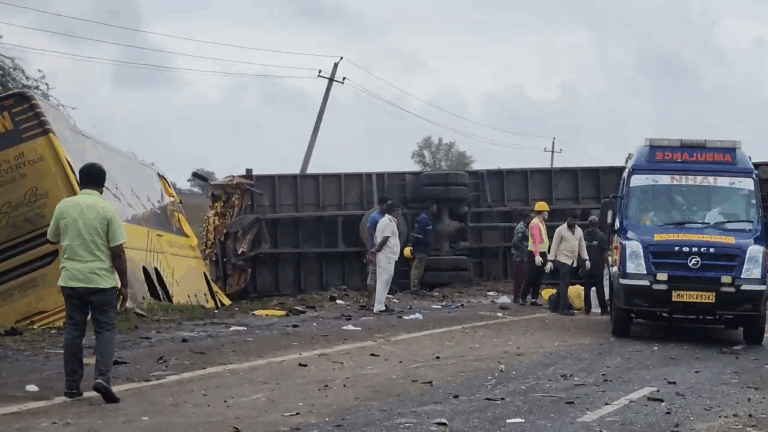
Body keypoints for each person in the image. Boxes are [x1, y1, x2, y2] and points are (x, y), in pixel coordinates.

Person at [46, 162, 128, 404]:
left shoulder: (64, 206)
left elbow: (52, 238)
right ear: (103, 185)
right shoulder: (108, 210)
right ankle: (102, 378)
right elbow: (118, 252)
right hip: (102, 282)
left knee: (74, 330)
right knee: (105, 329)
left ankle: (72, 386)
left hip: (71, 281)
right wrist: (124, 284)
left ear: (79, 181)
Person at [545, 212, 590, 316]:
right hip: (562, 260)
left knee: (564, 283)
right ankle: (563, 308)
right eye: (571, 220)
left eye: (574, 220)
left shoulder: (579, 231)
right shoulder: (560, 230)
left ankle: (554, 303)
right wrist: (551, 260)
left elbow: (582, 246)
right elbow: (554, 245)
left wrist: (586, 259)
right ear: (568, 219)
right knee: (565, 283)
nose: (572, 222)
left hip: (573, 261)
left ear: (577, 221)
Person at [371, 201, 402, 314]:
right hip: (386, 255)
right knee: (384, 281)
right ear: (394, 211)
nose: (400, 213)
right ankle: (379, 307)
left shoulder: (384, 221)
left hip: (387, 255)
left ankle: (381, 305)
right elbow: (385, 238)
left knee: (384, 281)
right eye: (399, 210)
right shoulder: (389, 222)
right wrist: (377, 249)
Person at [520, 202, 550, 306]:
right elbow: (536, 240)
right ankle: (523, 297)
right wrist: (537, 255)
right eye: (546, 211)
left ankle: (534, 298)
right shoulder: (535, 224)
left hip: (542, 253)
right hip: (534, 253)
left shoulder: (541, 223)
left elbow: (543, 240)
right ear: (542, 212)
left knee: (539, 277)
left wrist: (546, 254)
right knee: (531, 276)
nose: (547, 213)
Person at [364, 195, 389, 310]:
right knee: (373, 276)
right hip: (376, 250)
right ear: (381, 205)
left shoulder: (385, 217)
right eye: (386, 204)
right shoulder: (374, 217)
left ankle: (379, 302)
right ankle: (370, 302)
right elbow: (368, 234)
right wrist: (370, 251)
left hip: (385, 251)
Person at [583, 216, 609, 315]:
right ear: (597, 224)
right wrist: (608, 265)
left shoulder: (584, 235)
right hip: (598, 266)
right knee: (599, 287)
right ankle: (603, 309)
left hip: (586, 265)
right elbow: (605, 253)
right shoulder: (602, 236)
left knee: (587, 288)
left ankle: (587, 309)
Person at [409, 201, 437, 293]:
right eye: (435, 207)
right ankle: (414, 288)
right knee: (417, 267)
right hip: (421, 247)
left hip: (423, 247)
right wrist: (414, 245)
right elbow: (418, 234)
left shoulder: (426, 217)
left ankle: (416, 287)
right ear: (430, 207)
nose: (436, 209)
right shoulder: (424, 218)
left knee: (419, 268)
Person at [511, 211, 535, 304]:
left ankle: (521, 296)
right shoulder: (521, 228)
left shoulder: (527, 227)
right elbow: (515, 242)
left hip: (525, 256)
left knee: (524, 277)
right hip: (520, 257)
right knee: (519, 278)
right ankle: (517, 297)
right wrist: (523, 250)